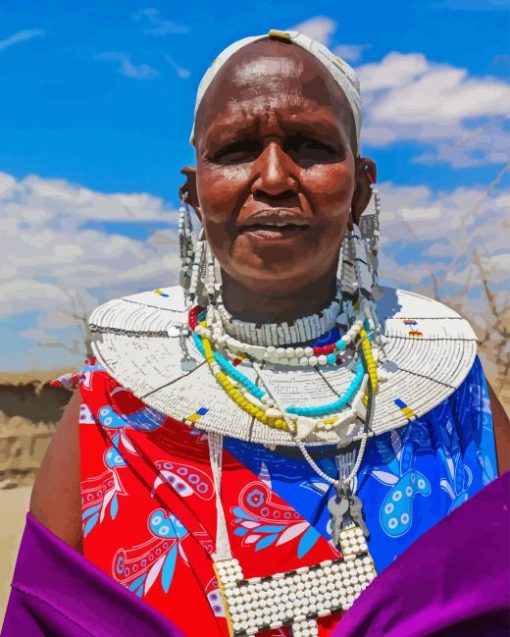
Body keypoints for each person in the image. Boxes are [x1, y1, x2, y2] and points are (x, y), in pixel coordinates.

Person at [5, 29, 509, 637]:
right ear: (194, 194)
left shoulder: (453, 394)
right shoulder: (109, 413)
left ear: (362, 188)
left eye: (310, 145)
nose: (273, 177)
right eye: (237, 149)